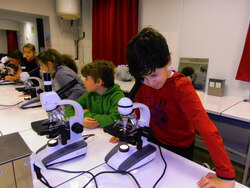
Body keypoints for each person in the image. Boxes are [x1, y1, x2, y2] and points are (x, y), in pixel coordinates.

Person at [126, 27, 235, 188]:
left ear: (169, 61)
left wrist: (227, 177)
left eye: (154, 75)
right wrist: (129, 131)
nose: (150, 83)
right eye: (143, 78)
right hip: (154, 141)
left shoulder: (181, 87)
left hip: (179, 146)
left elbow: (207, 129)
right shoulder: (143, 82)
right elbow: (141, 111)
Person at [65, 60, 125, 129]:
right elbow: (69, 110)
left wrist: (84, 114)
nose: (84, 83)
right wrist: (81, 120)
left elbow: (114, 120)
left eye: (87, 79)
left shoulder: (117, 97)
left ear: (98, 82)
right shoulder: (89, 95)